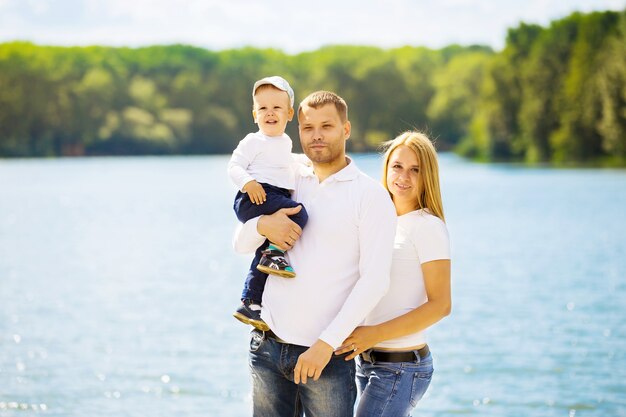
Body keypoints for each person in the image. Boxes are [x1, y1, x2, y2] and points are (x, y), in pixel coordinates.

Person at [233, 91, 397, 417]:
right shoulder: (286, 177)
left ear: (346, 130)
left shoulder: (370, 196)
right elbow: (240, 244)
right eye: (308, 128)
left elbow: (375, 280)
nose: (316, 135)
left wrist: (326, 345)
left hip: (326, 357)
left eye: (327, 126)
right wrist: (264, 225)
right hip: (268, 345)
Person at [334, 131, 452, 417]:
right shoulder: (379, 220)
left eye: (415, 170)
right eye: (397, 166)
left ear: (428, 177)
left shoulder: (427, 226)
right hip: (366, 362)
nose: (404, 177)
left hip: (401, 368)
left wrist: (373, 334)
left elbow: (441, 306)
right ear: (386, 168)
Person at [228, 76, 309, 332]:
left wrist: (306, 163)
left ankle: (250, 302)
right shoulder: (254, 140)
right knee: (299, 214)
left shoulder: (284, 143)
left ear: (289, 114)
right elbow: (234, 165)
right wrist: (247, 183)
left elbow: (285, 162)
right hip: (257, 195)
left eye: (276, 108)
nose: (269, 113)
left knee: (262, 256)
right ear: (254, 114)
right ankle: (274, 253)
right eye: (262, 108)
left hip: (272, 195)